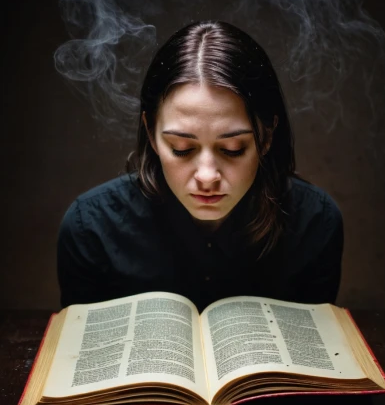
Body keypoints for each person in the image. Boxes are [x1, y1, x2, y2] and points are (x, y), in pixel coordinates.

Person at [57, 20, 343, 311]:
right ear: (152, 135)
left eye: (233, 149)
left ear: (267, 137)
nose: (207, 176)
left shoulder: (315, 223)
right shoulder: (90, 228)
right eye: (182, 149)